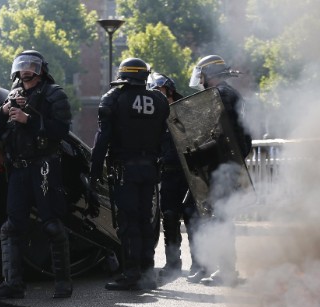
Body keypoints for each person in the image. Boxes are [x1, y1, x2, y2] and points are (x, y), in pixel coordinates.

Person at [0, 50, 74, 300]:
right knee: (11, 227)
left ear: (41, 70)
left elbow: (61, 130)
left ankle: (63, 283)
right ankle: (13, 284)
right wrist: (4, 112)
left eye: (31, 66)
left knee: (52, 225)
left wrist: (30, 119)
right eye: (22, 66)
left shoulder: (54, 94)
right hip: (19, 169)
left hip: (44, 165)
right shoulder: (13, 95)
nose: (26, 70)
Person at [90, 58, 170, 291]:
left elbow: (102, 140)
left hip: (124, 170)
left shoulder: (113, 98)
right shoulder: (159, 100)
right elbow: (166, 137)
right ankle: (147, 273)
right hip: (150, 170)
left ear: (123, 76)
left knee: (127, 222)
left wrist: (94, 175)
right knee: (146, 220)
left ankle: (131, 273)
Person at [186, 55, 253, 286]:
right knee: (218, 216)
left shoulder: (221, 96)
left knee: (221, 218)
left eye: (203, 76)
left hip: (223, 166)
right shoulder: (232, 95)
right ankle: (219, 268)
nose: (201, 80)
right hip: (227, 165)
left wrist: (198, 155)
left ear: (211, 75)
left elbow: (222, 138)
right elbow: (243, 139)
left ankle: (226, 271)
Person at [146, 72, 199, 279]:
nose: (156, 95)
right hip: (167, 174)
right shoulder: (155, 115)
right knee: (168, 217)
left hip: (188, 173)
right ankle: (173, 263)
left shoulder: (185, 110)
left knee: (192, 218)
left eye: (158, 90)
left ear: (167, 89)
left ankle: (199, 264)